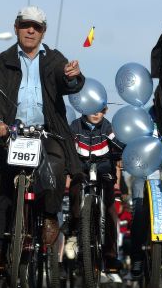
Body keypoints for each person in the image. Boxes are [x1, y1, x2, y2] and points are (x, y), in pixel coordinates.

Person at [0, 6, 85, 270]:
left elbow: (68, 80)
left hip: (46, 131)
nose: (30, 31)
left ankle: (49, 216)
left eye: (36, 27)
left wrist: (74, 78)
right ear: (16, 27)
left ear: (43, 32)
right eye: (26, 25)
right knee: (5, 182)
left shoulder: (53, 58)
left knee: (57, 165)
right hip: (11, 131)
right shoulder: (0, 61)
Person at [66, 106, 124, 272]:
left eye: (100, 109)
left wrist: (123, 153)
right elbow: (70, 145)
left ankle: (110, 256)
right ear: (84, 107)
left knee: (111, 208)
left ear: (105, 111)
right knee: (75, 189)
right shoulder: (76, 126)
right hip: (82, 169)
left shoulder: (108, 127)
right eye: (92, 108)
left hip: (104, 170)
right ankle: (75, 231)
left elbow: (118, 142)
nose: (96, 113)